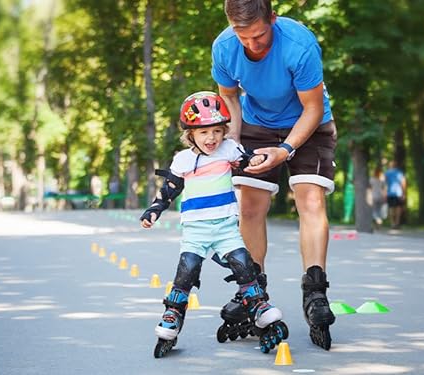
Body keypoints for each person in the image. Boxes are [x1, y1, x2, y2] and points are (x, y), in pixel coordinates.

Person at [211, 0, 336, 350]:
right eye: (243, 36)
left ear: (273, 19)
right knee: (249, 206)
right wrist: (233, 140)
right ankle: (252, 290)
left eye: (260, 35)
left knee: (310, 199)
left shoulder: (299, 45)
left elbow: (311, 107)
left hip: (308, 122)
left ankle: (315, 291)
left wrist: (287, 150)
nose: (252, 44)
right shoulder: (223, 47)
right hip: (256, 123)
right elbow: (230, 98)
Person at [140, 91, 287, 358]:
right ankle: (173, 314)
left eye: (217, 131)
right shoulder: (183, 160)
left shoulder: (228, 150)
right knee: (187, 271)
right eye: (204, 132)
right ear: (191, 134)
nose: (212, 138)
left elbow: (244, 159)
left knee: (244, 264)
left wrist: (252, 159)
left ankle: (258, 306)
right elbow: (169, 189)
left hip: (226, 227)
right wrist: (154, 210)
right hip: (196, 230)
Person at [384, 160, 406, 229]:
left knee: (391, 208)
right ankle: (397, 223)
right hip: (398, 193)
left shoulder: (387, 173)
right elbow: (403, 183)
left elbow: (385, 184)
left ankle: (392, 223)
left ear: (390, 166)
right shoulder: (399, 173)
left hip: (389, 193)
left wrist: (385, 193)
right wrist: (404, 193)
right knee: (398, 208)